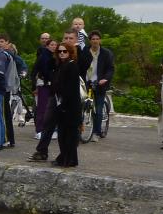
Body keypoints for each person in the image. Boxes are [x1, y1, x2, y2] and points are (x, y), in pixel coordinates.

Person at [52, 38, 83, 166]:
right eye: (60, 51)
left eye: (65, 51)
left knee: (69, 135)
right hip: (63, 104)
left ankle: (69, 159)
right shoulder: (61, 66)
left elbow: (70, 89)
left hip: (70, 106)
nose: (62, 53)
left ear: (70, 52)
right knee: (63, 135)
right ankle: (65, 158)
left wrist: (63, 105)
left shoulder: (71, 66)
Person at [83, 30, 115, 138]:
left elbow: (110, 68)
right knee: (82, 106)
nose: (95, 41)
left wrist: (105, 79)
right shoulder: (85, 51)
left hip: (100, 83)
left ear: (100, 40)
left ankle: (96, 132)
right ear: (90, 40)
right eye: (93, 39)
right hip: (87, 81)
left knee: (98, 108)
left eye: (97, 39)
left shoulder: (106, 53)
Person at [32, 35, 55, 142]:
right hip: (43, 84)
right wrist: (34, 86)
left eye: (55, 45)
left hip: (53, 85)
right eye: (52, 45)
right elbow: (35, 71)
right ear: (47, 46)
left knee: (52, 108)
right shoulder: (43, 56)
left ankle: (49, 129)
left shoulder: (56, 56)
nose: (54, 46)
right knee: (42, 108)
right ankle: (39, 130)